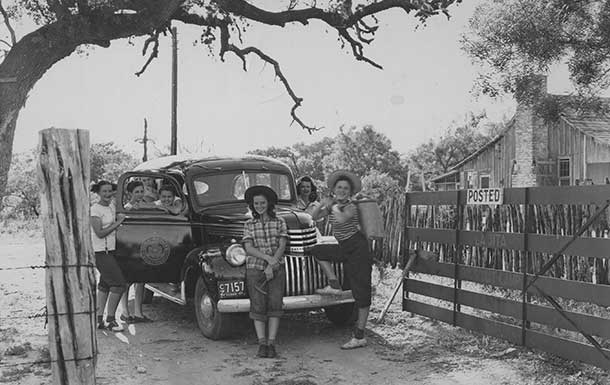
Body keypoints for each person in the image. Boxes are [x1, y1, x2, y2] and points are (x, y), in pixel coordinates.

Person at [310, 170, 372, 350]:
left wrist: (332, 206)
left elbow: (342, 217)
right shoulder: (333, 205)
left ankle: (359, 336)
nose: (342, 190)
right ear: (334, 189)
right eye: (339, 187)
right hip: (345, 247)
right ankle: (334, 284)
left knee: (361, 292)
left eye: (346, 188)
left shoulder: (351, 205)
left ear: (350, 191)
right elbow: (313, 217)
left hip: (358, 248)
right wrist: (323, 203)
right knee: (317, 250)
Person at [242, 185, 288, 359]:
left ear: (268, 203)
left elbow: (282, 245)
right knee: (258, 305)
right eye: (256, 203)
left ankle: (272, 343)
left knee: (275, 304)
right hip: (255, 267)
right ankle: (262, 344)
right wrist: (267, 260)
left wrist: (272, 264)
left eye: (262, 202)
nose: (259, 206)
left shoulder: (279, 222)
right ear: (252, 205)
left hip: (276, 267)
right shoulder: (248, 224)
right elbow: (248, 248)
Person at [90, 180, 127, 332]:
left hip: (111, 251)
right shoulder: (95, 210)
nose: (107, 194)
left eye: (110, 191)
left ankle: (98, 320)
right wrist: (118, 223)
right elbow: (99, 233)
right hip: (100, 252)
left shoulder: (111, 206)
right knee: (119, 284)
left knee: (105, 285)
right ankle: (111, 320)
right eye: (104, 191)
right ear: (98, 193)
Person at [120, 179, 155, 323]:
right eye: (137, 192)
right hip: (129, 247)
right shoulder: (126, 209)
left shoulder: (147, 206)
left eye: (141, 191)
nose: (140, 194)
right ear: (130, 194)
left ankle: (138, 313)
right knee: (127, 280)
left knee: (140, 281)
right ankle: (125, 312)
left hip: (143, 246)